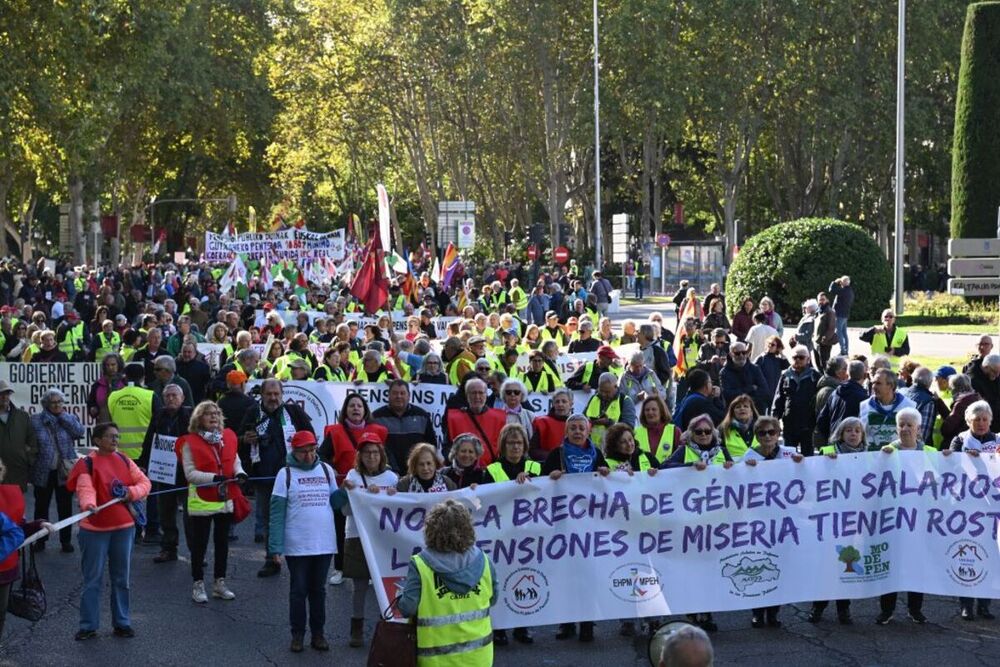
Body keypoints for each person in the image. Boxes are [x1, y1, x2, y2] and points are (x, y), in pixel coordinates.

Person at [66, 422, 151, 640]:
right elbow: (85, 488)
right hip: (94, 529)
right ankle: (88, 626)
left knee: (121, 579)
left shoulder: (124, 459)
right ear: (97, 441)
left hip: (123, 528)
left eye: (117, 436)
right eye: (110, 436)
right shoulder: (87, 463)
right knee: (92, 579)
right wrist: (88, 506)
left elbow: (144, 483)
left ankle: (122, 623)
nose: (115, 440)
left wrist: (130, 493)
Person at [397, 499, 497, 666]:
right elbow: (493, 599)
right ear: (467, 528)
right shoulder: (485, 561)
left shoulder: (420, 564)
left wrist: (401, 597)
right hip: (479, 656)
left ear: (431, 529)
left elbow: (408, 608)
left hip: (435, 659)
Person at [541, 414, 610, 642]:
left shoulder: (596, 454)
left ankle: (587, 623)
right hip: (563, 524)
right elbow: (542, 485)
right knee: (567, 575)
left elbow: (608, 481)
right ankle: (567, 623)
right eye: (573, 428)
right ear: (566, 432)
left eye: (582, 428)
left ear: (589, 431)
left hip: (590, 524)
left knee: (588, 575)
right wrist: (550, 477)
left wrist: (605, 474)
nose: (578, 431)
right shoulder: (556, 455)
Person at [269, 430, 338, 652]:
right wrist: (276, 547)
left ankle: (318, 634)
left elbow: (336, 503)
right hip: (297, 544)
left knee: (319, 590)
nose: (308, 456)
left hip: (323, 543)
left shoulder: (327, 470)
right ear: (294, 452)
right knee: (298, 590)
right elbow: (277, 512)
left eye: (312, 450)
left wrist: (347, 492)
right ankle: (297, 634)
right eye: (303, 452)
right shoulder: (285, 474)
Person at [238, 378, 314, 578]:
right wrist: (245, 440)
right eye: (269, 394)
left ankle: (303, 559)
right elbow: (237, 440)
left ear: (282, 395)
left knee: (300, 517)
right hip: (265, 476)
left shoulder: (293, 412)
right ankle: (271, 560)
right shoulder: (253, 413)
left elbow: (310, 437)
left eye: (276, 394)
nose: (272, 398)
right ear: (262, 395)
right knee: (270, 520)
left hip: (294, 474)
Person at [177, 401, 246, 604]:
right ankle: (198, 584)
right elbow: (190, 474)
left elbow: (234, 460)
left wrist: (240, 473)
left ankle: (219, 583)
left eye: (216, 413)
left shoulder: (227, 438)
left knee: (222, 544)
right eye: (208, 414)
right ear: (199, 419)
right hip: (201, 501)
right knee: (199, 546)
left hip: (224, 500)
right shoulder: (189, 442)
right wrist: (214, 478)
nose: (214, 417)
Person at [338, 434, 398, 648]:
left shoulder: (392, 478)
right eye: (366, 453)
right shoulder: (352, 475)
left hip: (383, 539)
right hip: (357, 535)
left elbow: (399, 512)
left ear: (381, 454)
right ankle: (357, 628)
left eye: (375, 452)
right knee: (360, 585)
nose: (371, 456)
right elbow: (345, 510)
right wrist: (350, 492)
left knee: (387, 584)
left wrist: (392, 495)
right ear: (360, 455)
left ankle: (389, 627)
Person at [741, 417, 801, 627]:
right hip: (757, 523)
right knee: (757, 567)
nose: (767, 437)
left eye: (771, 432)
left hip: (782, 522)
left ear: (778, 434)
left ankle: (774, 612)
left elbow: (809, 476)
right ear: (756, 436)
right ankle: (757, 611)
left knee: (778, 566)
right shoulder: (748, 458)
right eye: (762, 433)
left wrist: (802, 464)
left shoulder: (790, 454)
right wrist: (742, 470)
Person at [949, 400, 998, 620]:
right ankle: (966, 604)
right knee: (967, 554)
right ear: (968, 420)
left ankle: (984, 604)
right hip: (966, 509)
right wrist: (961, 459)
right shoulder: (959, 440)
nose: (980, 423)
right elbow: (948, 468)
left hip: (992, 510)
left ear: (990, 421)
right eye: (976, 419)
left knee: (989, 556)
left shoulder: (997, 441)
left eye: (984, 419)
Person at [137, 384, 192, 563]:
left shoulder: (190, 415)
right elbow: (149, 440)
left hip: (185, 472)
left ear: (182, 398)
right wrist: (144, 463)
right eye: (167, 396)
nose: (170, 399)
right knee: (166, 512)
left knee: (191, 515)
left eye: (174, 396)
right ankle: (168, 549)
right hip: (164, 471)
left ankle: (195, 552)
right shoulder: (159, 414)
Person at [30, 389, 84, 553]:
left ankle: (65, 540)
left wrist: (64, 417)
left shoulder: (68, 418)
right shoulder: (35, 420)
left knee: (65, 506)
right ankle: (40, 540)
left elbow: (79, 432)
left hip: (64, 471)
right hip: (43, 470)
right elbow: (30, 442)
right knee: (41, 507)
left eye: (60, 402)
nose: (58, 405)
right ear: (46, 404)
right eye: (54, 402)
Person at [372, 380, 438, 474]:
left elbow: (432, 446)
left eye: (402, 393)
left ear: (409, 396)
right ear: (388, 395)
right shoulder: (376, 417)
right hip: (386, 473)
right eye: (395, 393)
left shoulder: (422, 415)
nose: (399, 396)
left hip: (417, 472)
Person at [771, 346, 822, 455]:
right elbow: (779, 399)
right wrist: (774, 419)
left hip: (808, 424)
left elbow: (821, 401)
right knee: (789, 455)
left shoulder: (815, 376)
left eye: (801, 357)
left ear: (808, 359)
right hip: (790, 424)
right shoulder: (785, 375)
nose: (798, 360)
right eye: (795, 357)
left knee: (808, 456)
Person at [443, 378, 505, 466]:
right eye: (473, 393)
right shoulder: (455, 418)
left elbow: (504, 449)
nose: (477, 397)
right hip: (464, 472)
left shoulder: (500, 418)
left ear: (486, 395)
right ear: (467, 395)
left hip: (492, 472)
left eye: (480, 393)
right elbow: (447, 447)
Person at [108, 362, 160, 463]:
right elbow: (160, 422)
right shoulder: (150, 396)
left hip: (118, 452)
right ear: (143, 377)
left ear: (125, 377)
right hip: (144, 453)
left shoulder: (113, 396)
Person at [815, 360, 869, 446]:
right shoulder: (864, 398)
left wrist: (832, 435)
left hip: (834, 442)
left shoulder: (835, 393)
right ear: (865, 375)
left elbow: (821, 420)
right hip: (853, 445)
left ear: (848, 374)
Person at [859, 369, 916, 449]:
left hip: (899, 458)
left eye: (878, 383)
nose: (874, 387)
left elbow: (917, 437)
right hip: (872, 458)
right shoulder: (864, 406)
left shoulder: (908, 406)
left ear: (891, 386)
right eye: (873, 383)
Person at [0, 380, 37, 492]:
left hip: (18, 474)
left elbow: (33, 442)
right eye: (1, 394)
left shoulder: (22, 416)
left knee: (15, 508)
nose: (4, 397)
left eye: (7, 393)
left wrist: (27, 459)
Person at [584, 372, 637, 447]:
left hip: (615, 449)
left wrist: (609, 423)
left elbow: (629, 428)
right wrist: (590, 422)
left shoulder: (625, 401)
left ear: (616, 387)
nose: (603, 394)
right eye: (601, 390)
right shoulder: (594, 398)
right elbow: (583, 418)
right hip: (594, 449)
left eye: (607, 392)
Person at [719, 341, 770, 413]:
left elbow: (765, 391)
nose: (741, 355)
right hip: (734, 413)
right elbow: (727, 395)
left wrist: (748, 400)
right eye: (737, 353)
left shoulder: (755, 369)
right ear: (731, 354)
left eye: (744, 352)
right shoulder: (724, 372)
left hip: (755, 412)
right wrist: (750, 388)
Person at [529, 387, 573, 460]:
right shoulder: (542, 422)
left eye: (564, 401)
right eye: (557, 402)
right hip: (549, 466)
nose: (560, 404)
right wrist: (555, 457)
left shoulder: (579, 423)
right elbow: (533, 451)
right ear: (553, 404)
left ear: (571, 403)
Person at [634, 396, 681, 460]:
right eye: (647, 410)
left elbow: (682, 456)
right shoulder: (635, 433)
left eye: (654, 409)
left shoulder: (675, 431)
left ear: (661, 412)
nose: (650, 412)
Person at [941, 374, 982, 445]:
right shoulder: (977, 399)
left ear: (954, 388)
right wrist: (939, 402)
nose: (950, 391)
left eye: (950, 388)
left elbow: (947, 428)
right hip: (974, 442)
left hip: (958, 444)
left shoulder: (962, 402)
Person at [87, 353, 126, 423]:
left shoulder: (125, 383)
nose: (110, 368)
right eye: (107, 365)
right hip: (103, 424)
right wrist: (93, 409)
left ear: (119, 365)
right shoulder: (97, 385)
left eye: (113, 365)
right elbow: (91, 403)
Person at [718, 395, 759, 460]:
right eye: (738, 407)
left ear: (751, 411)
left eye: (745, 406)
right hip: (732, 468)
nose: (742, 408)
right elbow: (717, 452)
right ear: (733, 412)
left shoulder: (761, 427)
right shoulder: (723, 429)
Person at [968, 353, 1000, 431]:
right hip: (985, 425)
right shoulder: (973, 379)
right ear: (986, 367)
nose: (997, 375)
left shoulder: (994, 374)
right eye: (995, 372)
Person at [754, 335, 789, 402]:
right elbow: (753, 371)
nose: (770, 346)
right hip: (762, 393)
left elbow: (787, 366)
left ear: (777, 347)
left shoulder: (778, 360)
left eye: (772, 345)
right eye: (768, 344)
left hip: (774, 392)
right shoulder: (762, 358)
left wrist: (781, 353)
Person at [828, 275, 854, 355]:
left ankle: (843, 350)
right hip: (845, 314)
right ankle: (846, 350)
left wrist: (834, 282)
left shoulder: (843, 291)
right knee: (844, 332)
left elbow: (831, 290)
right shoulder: (850, 291)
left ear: (843, 282)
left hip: (840, 314)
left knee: (839, 332)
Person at [814, 292, 838, 368]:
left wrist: (824, 340)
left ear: (827, 300)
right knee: (818, 365)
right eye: (819, 300)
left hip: (825, 343)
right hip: (816, 342)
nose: (821, 301)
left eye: (823, 299)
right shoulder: (818, 311)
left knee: (824, 365)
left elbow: (831, 328)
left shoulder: (830, 312)